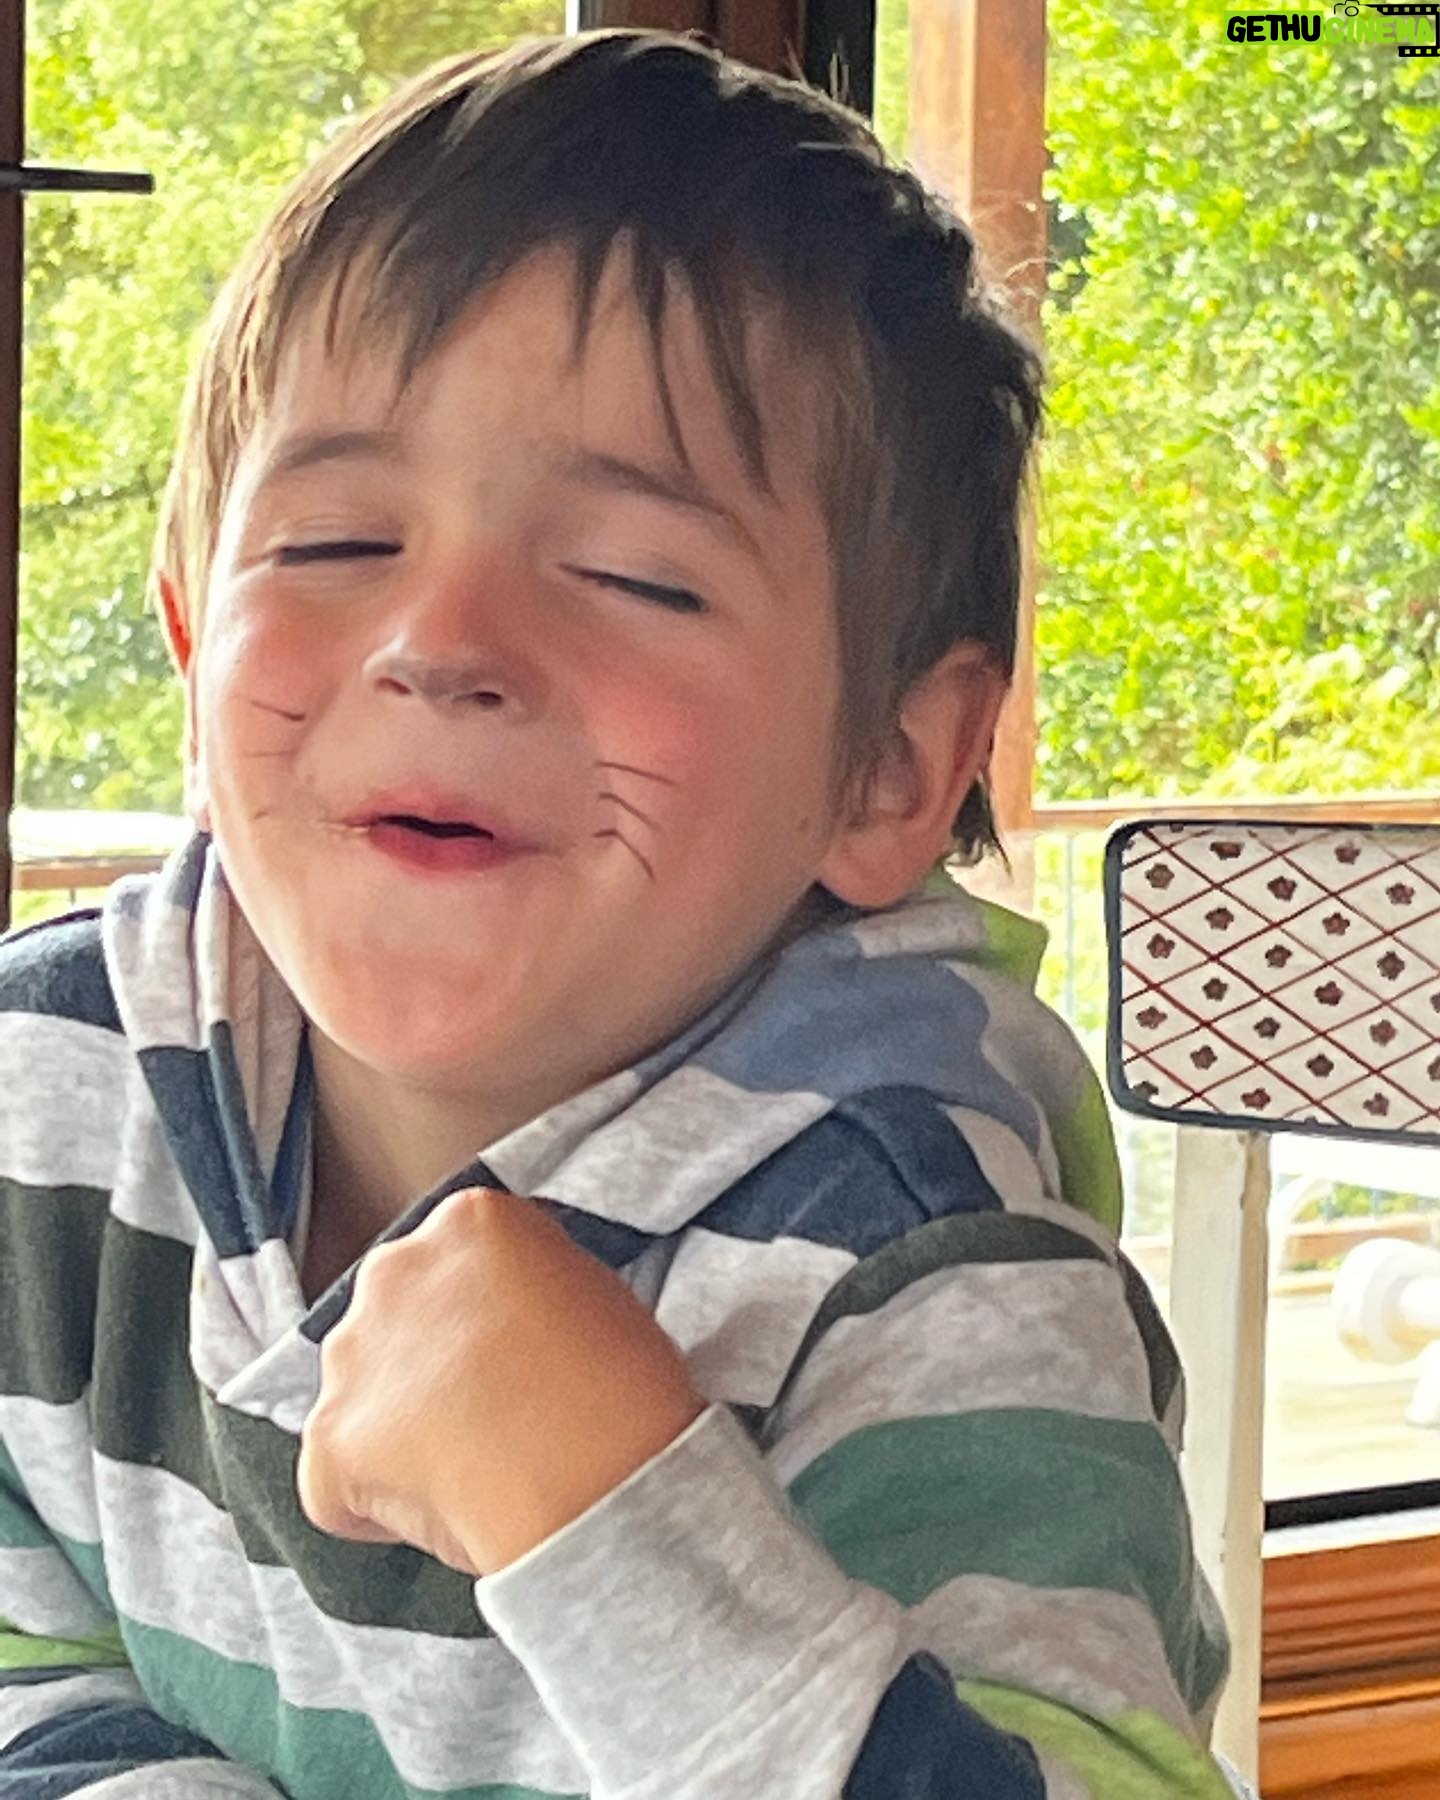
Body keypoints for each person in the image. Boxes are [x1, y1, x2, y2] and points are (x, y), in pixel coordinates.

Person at [0, 28, 1241, 1799]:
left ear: (891, 766)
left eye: (633, 577)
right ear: (194, 642)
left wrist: (617, 1516)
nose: (440, 644)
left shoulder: (926, 1272)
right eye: (338, 544)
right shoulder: (44, 1094)